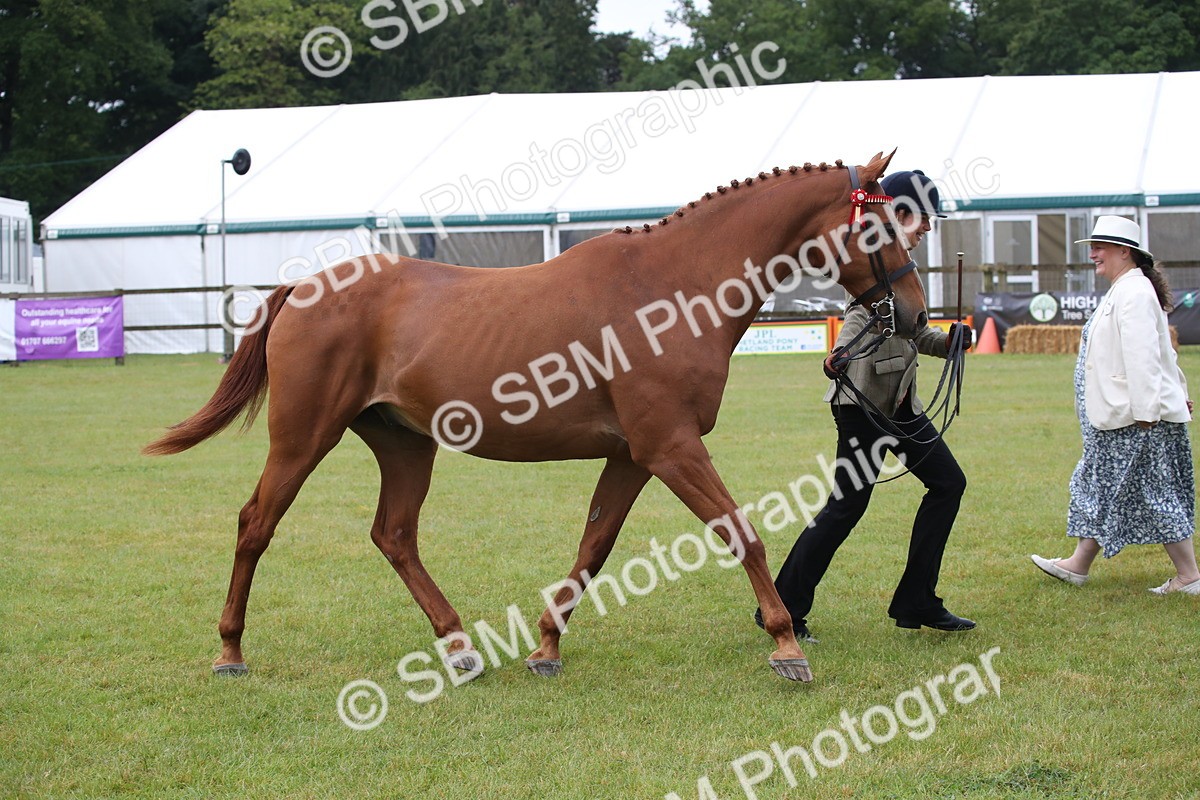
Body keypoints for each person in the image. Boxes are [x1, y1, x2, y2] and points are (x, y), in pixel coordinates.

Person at [755, 169, 974, 641]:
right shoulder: (877, 262)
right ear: (895, 213)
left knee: (947, 483)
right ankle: (782, 606)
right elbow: (859, 317)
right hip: (863, 406)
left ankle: (918, 598)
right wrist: (840, 353)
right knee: (845, 508)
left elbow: (913, 333)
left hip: (899, 405)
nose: (927, 229)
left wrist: (952, 340)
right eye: (921, 219)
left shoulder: (900, 264)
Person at [1031, 215, 1199, 595]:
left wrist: (1146, 412)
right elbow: (1163, 353)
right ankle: (1078, 564)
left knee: (1153, 493)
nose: (1093, 254)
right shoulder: (1126, 289)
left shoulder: (1135, 293)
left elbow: (1144, 357)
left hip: (1133, 419)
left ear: (1126, 251)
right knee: (1100, 487)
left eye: (1100, 247)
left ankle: (1189, 577)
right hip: (1117, 417)